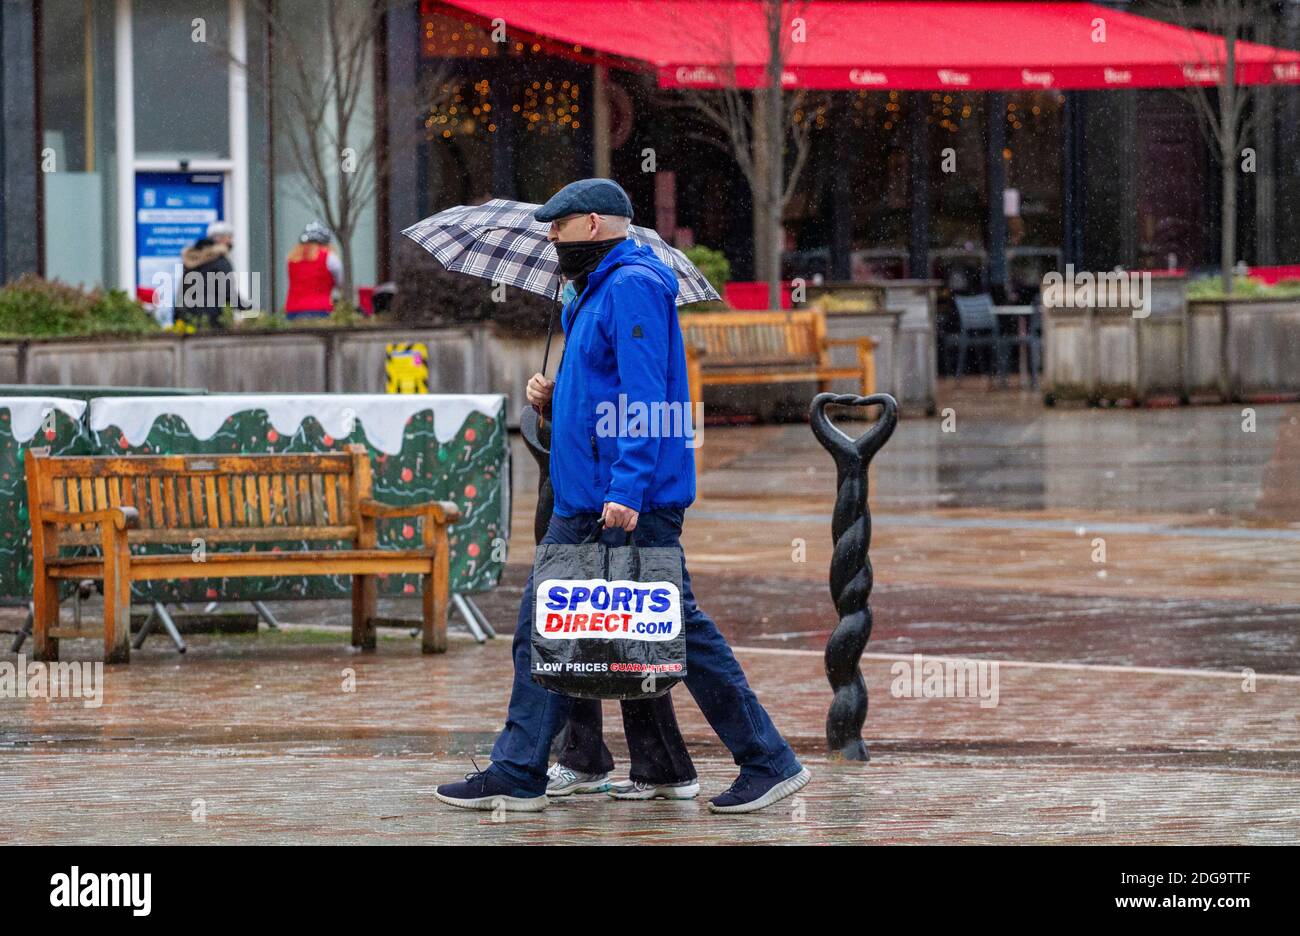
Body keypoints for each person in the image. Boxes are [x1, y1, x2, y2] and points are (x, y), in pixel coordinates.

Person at [435, 178, 810, 815]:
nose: (548, 236)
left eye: (557, 226)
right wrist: (557, 400)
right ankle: (524, 769)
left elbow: (650, 397)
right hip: (587, 500)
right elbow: (608, 392)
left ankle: (767, 760)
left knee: (671, 632)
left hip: (621, 503)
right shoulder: (594, 290)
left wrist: (629, 487)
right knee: (553, 628)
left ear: (591, 225)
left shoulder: (633, 284)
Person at [173, 220, 243, 328]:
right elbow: (229, 293)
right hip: (212, 322)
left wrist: (178, 316)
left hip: (189, 321)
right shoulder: (219, 261)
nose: (231, 241)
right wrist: (251, 311)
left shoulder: (193, 259)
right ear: (220, 239)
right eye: (229, 237)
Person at [284, 221, 341, 321]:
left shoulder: (291, 259)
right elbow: (341, 282)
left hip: (293, 311)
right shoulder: (330, 258)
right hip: (320, 310)